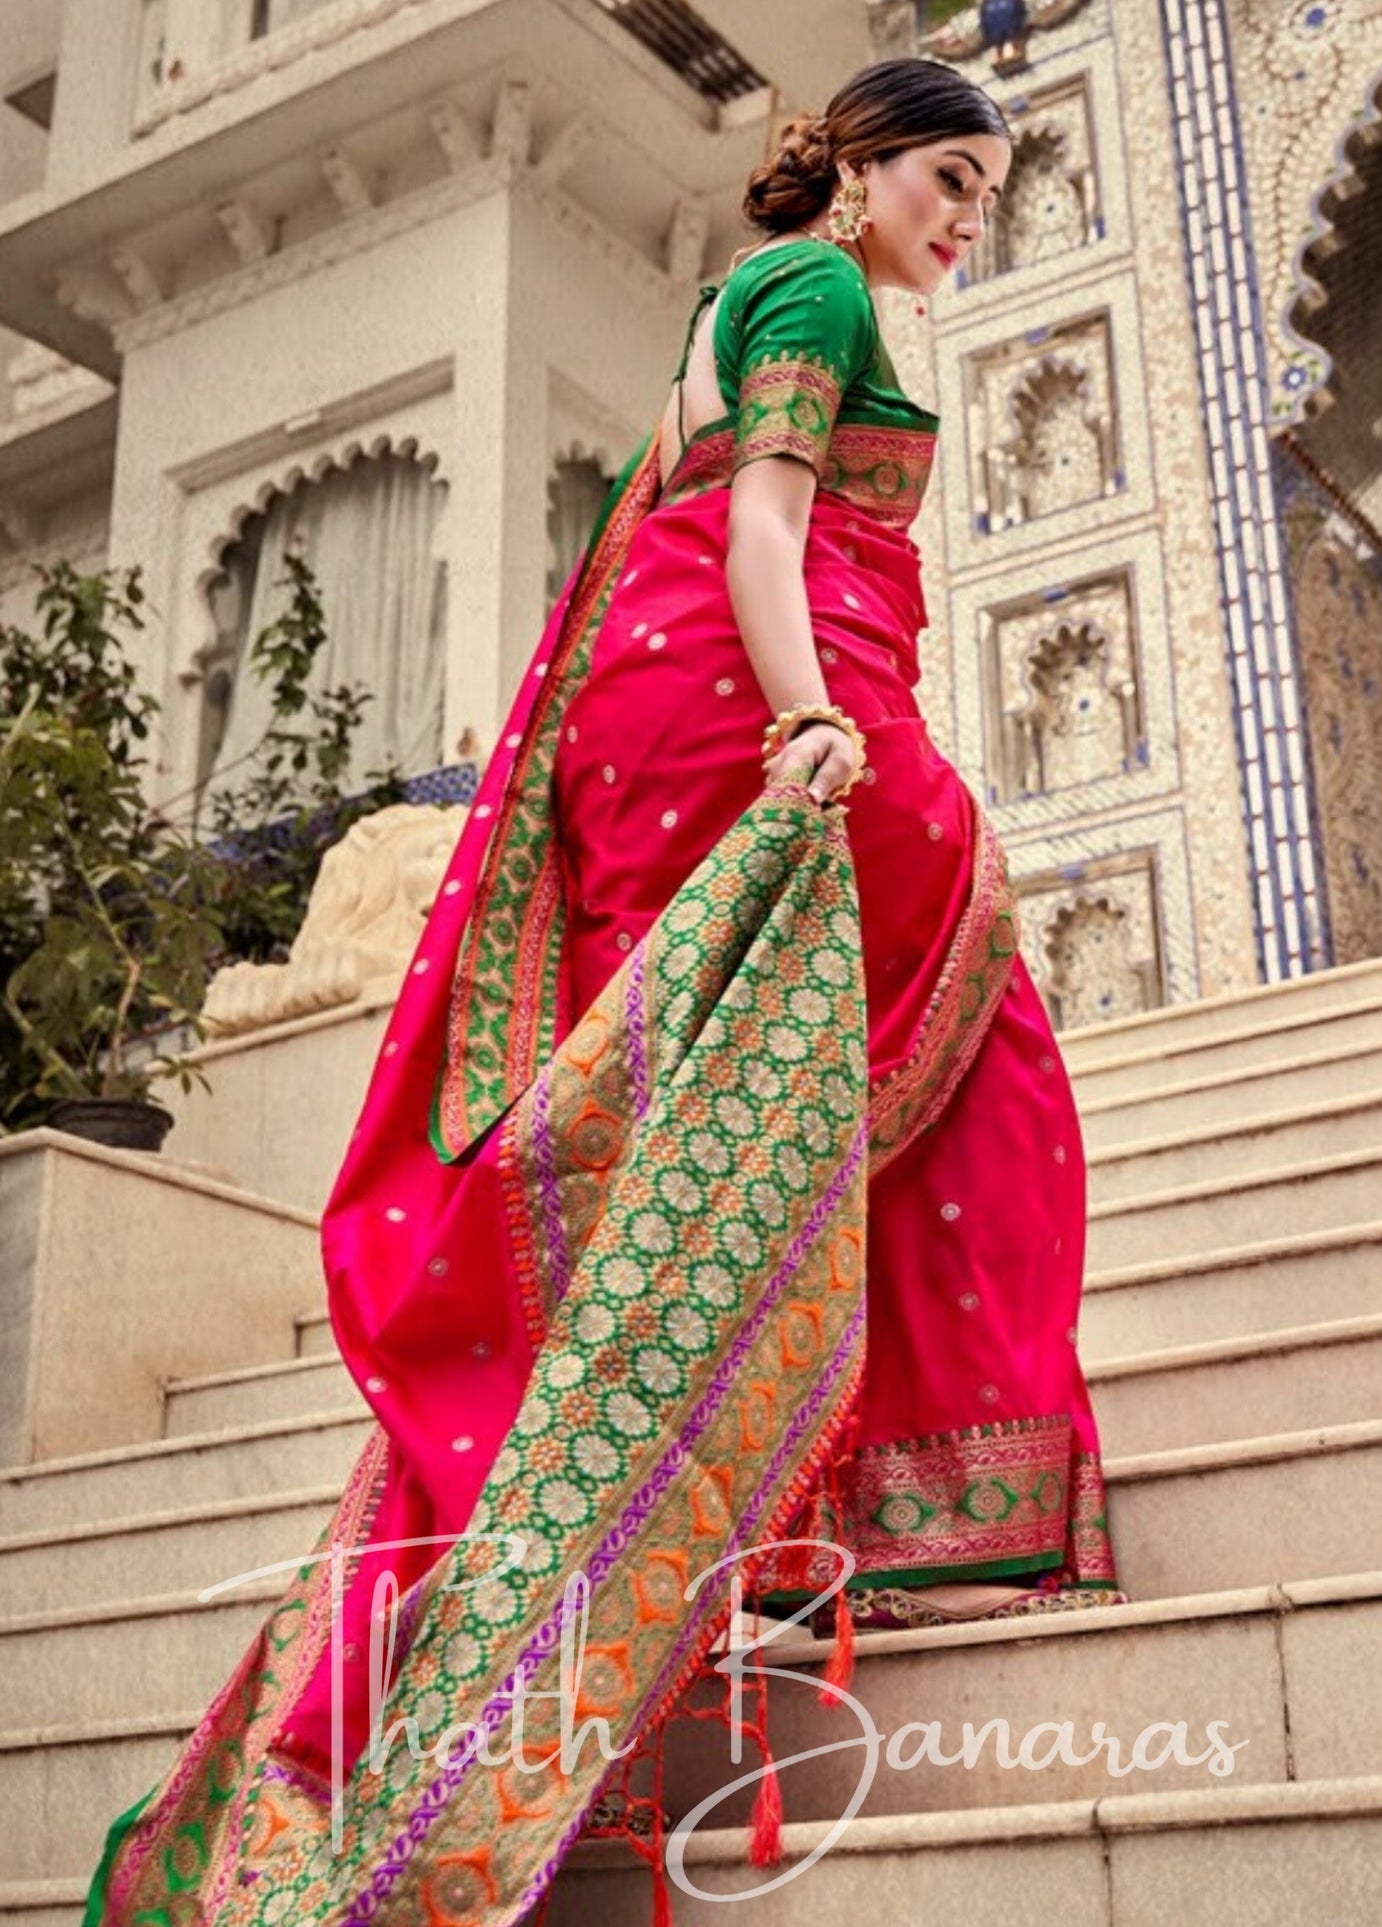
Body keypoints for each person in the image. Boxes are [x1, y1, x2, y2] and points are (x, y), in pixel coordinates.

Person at [85, 56, 1123, 1927]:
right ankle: (914, 1512)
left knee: (736, 1128)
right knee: (978, 1051)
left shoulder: (745, 298)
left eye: (988, 187)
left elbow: (680, 506)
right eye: (948, 179)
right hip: (760, 698)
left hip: (670, 716)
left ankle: (797, 1513)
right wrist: (815, 715)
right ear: (864, 166)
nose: (969, 216)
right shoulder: (813, 286)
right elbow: (750, 527)